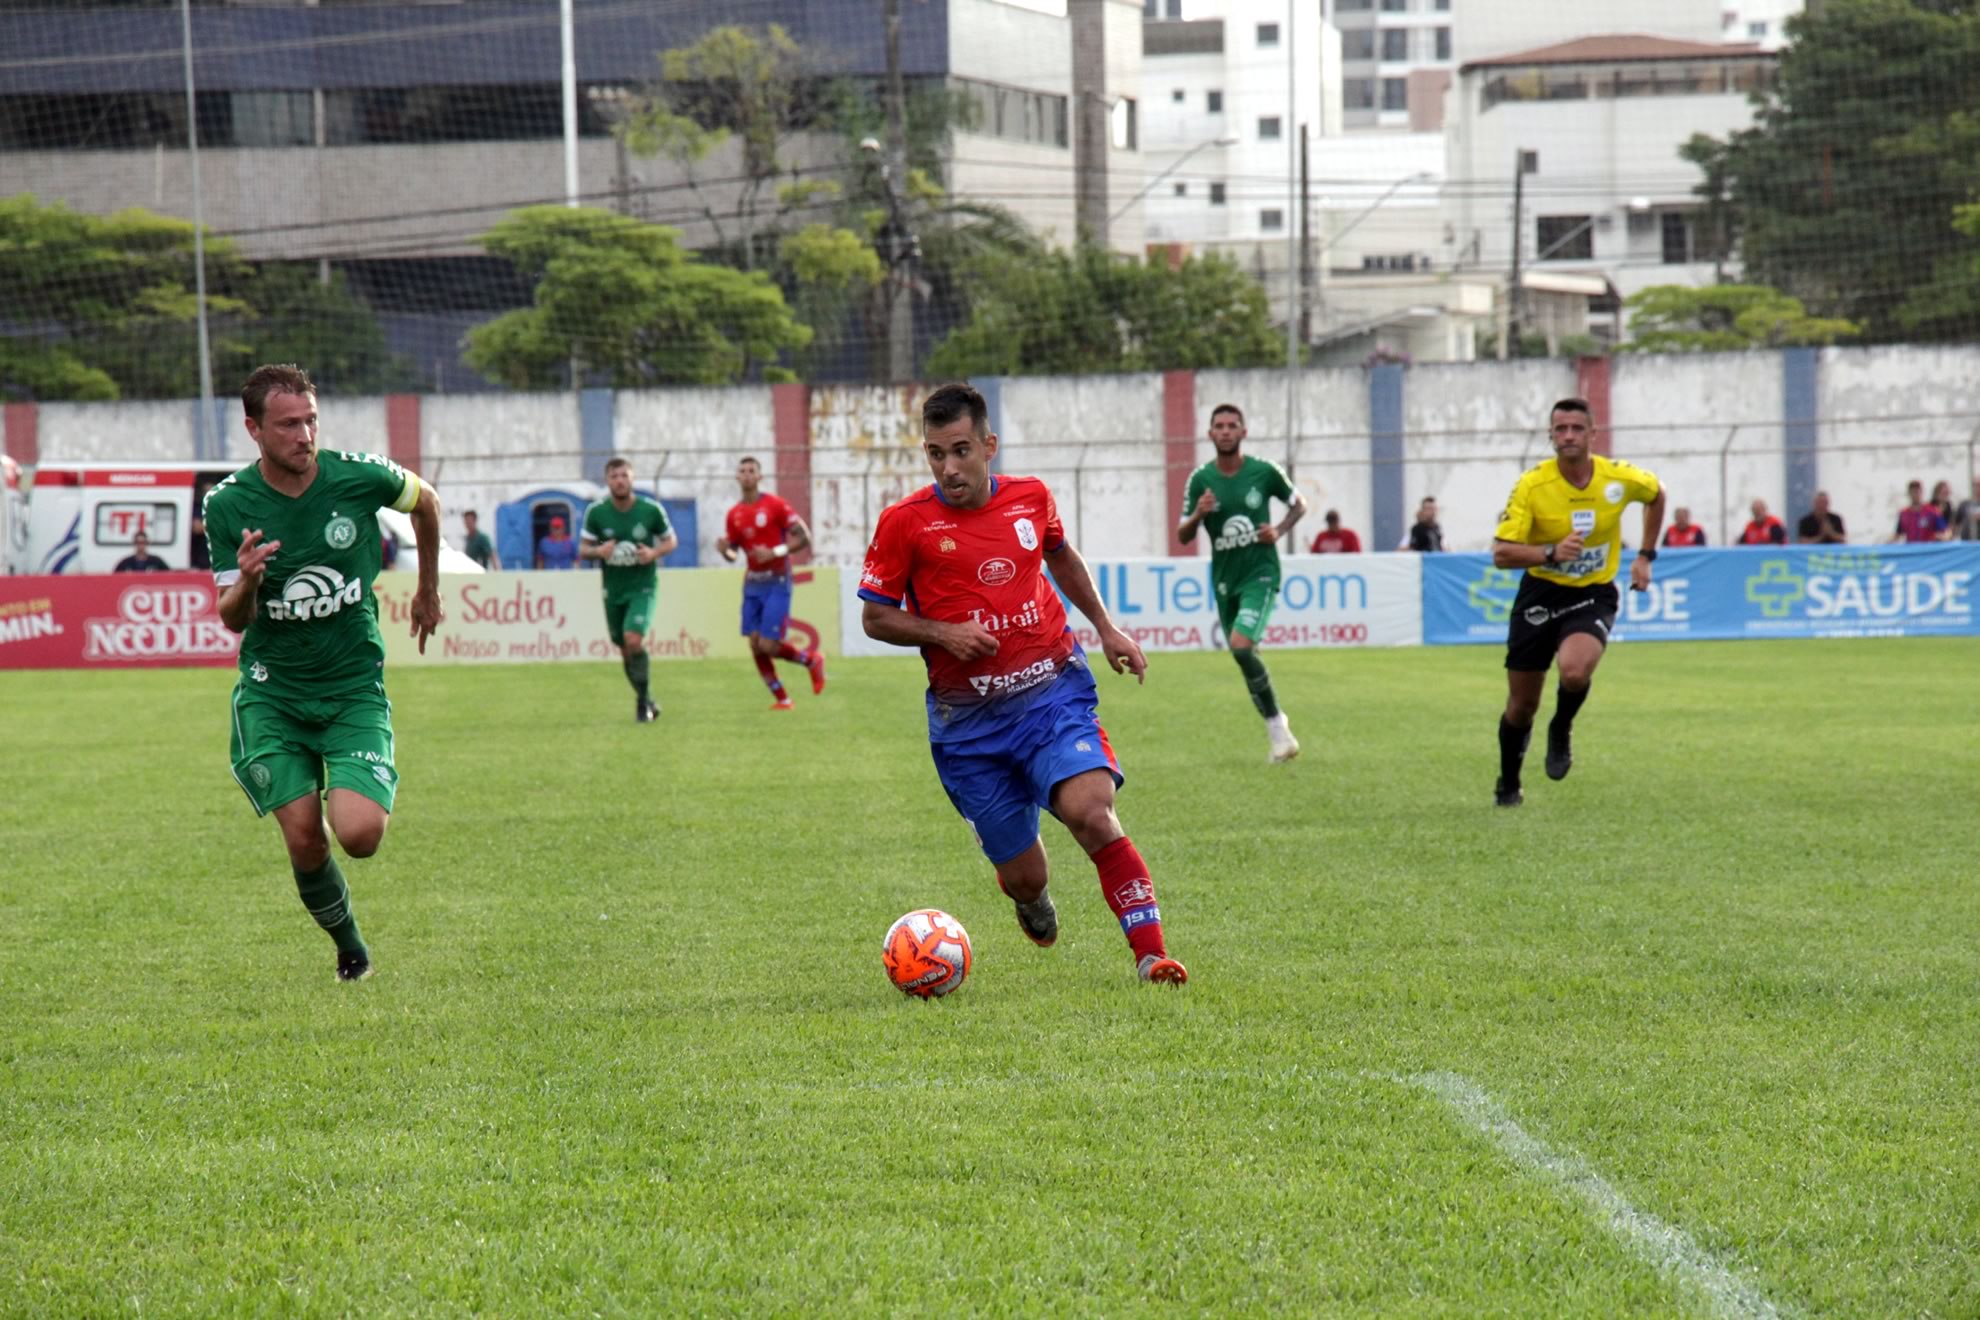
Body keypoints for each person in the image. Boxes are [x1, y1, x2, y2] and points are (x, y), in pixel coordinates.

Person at [859, 382, 1185, 986]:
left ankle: (1151, 955)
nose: (949, 468)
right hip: (969, 730)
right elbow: (875, 617)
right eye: (936, 454)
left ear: (989, 445)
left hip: (1049, 695)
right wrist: (945, 633)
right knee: (1025, 876)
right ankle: (1030, 900)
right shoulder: (904, 524)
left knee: (1091, 811)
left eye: (960, 450)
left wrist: (1107, 628)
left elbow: (1060, 556)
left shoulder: (1031, 498)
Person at [202, 363, 444, 983]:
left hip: (351, 688)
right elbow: (232, 618)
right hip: (272, 696)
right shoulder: (228, 504)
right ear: (255, 429)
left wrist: (427, 590)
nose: (304, 434)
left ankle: (355, 787)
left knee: (360, 835)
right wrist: (250, 579)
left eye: (311, 419)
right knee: (306, 838)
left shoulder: (359, 476)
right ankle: (350, 948)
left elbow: (428, 502)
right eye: (288, 424)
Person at [1489, 397, 1664, 808]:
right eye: (1560, 428)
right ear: (1550, 435)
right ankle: (1509, 783)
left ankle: (1562, 727)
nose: (1568, 435)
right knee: (1521, 705)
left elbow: (1657, 495)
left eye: (1576, 428)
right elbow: (1501, 553)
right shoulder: (1532, 485)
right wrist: (1550, 552)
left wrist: (1645, 555)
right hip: (1540, 594)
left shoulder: (1618, 478)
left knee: (1573, 671)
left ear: (1592, 434)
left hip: (1592, 594)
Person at [1176, 403, 1308, 764]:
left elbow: (1299, 504)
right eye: (1219, 426)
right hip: (1224, 578)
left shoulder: (1264, 472)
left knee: (1240, 645)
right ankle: (1278, 730)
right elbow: (1183, 534)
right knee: (1244, 654)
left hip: (1260, 572)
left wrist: (1277, 530)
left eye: (1232, 425)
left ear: (1243, 432)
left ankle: (1278, 729)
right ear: (1210, 434)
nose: (1226, 431)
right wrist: (1200, 514)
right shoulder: (1201, 480)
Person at [716, 455, 826, 709]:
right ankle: (783, 699)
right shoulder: (734, 514)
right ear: (737, 477)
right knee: (755, 643)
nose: (746, 474)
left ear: (759, 476)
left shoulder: (775, 505)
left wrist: (775, 552)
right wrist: (724, 550)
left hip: (777, 581)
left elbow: (804, 537)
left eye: (751, 470)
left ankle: (811, 660)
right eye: (742, 470)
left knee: (768, 644)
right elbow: (733, 554)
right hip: (752, 584)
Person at [580, 456, 677, 722]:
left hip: (642, 585)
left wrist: (654, 552)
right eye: (614, 476)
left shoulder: (650, 510)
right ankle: (647, 699)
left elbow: (671, 541)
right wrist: (599, 551)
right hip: (613, 587)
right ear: (607, 480)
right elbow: (583, 549)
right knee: (623, 648)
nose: (620, 481)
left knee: (634, 639)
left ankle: (642, 704)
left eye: (624, 475)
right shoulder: (597, 513)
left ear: (632, 478)